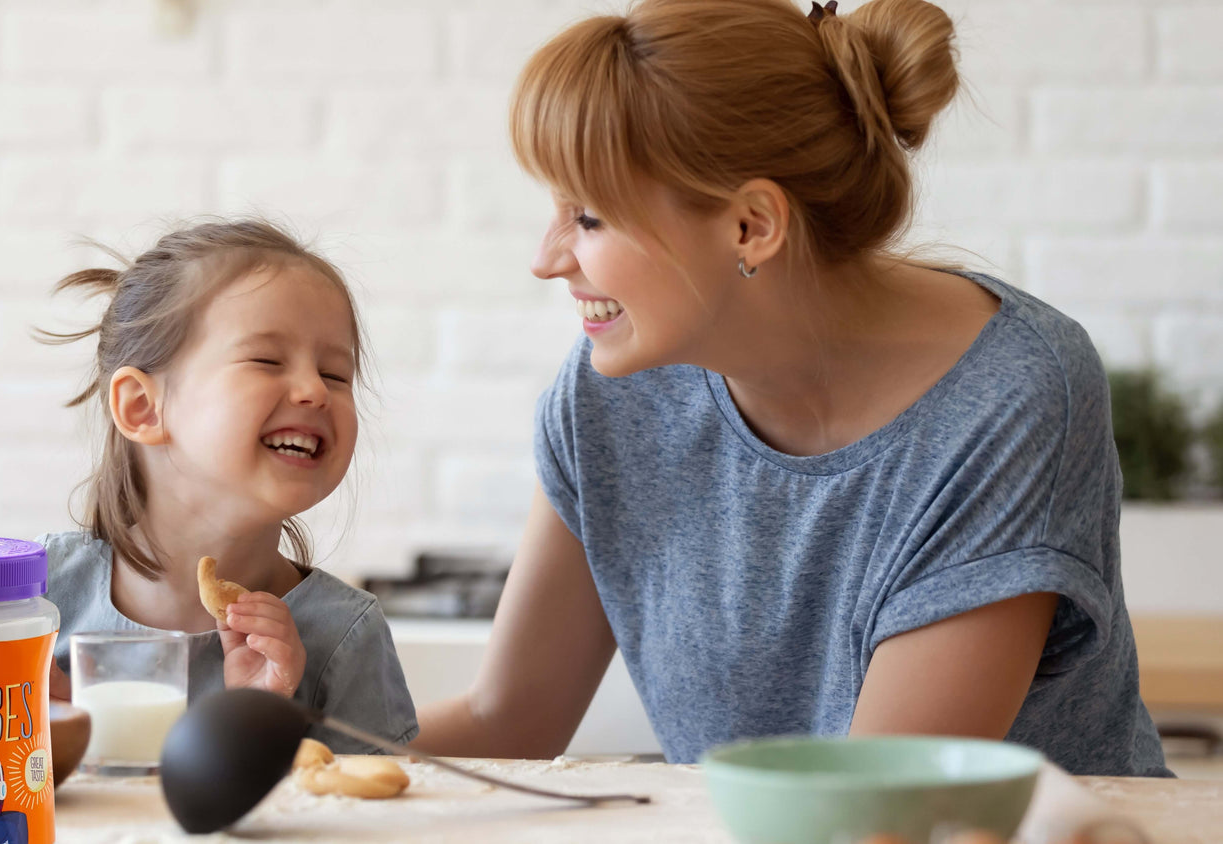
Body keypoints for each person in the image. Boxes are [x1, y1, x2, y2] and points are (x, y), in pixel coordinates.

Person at [414, 0, 1168, 776]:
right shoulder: (612, 392)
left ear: (751, 225)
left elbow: (881, 797)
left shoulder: (1012, 394)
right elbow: (506, 717)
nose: (547, 259)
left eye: (592, 217)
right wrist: (301, 741)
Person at [39, 218, 417, 753]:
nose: (314, 390)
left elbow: (371, 820)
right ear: (143, 407)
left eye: (336, 374)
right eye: (267, 360)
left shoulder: (343, 637)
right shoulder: (33, 598)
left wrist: (258, 722)